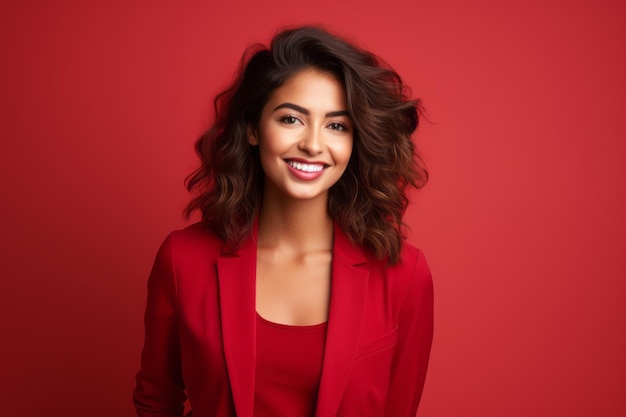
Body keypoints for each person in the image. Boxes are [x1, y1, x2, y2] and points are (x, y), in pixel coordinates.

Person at [133, 26, 433, 417]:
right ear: (254, 128)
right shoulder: (182, 260)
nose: (312, 143)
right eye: (291, 119)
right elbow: (157, 400)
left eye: (337, 125)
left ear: (356, 141)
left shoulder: (404, 275)